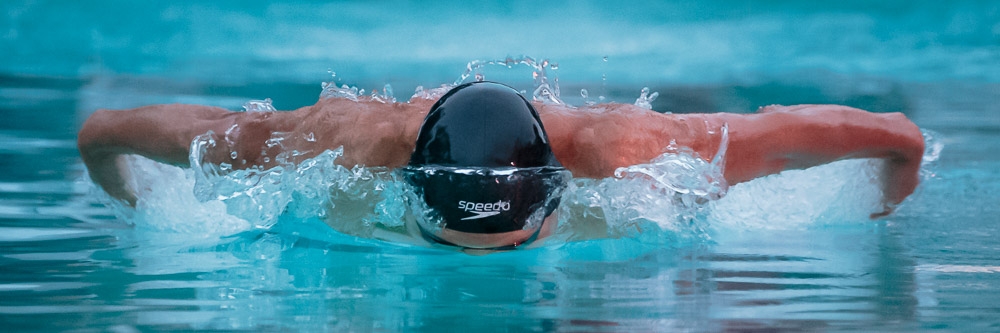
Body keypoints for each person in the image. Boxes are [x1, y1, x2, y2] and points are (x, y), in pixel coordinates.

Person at [77, 81, 925, 249]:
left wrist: (880, 218)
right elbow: (103, 131)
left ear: (555, 203)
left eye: (516, 242)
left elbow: (899, 136)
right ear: (406, 195)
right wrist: (131, 198)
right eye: (446, 243)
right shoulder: (323, 144)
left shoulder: (642, 157)